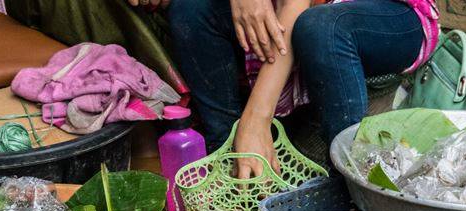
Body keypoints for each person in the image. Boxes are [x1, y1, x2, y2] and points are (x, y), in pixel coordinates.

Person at [146, 0, 438, 177]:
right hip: (301, 15)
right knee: (191, 9)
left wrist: (255, 121)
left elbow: (295, 9)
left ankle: (350, 190)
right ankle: (226, 160)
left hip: (386, 15)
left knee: (322, 27)